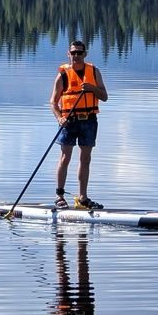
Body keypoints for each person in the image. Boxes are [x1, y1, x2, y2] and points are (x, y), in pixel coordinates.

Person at [49, 40, 108, 210]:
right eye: (73, 52)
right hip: (69, 122)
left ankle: (83, 197)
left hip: (89, 120)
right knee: (65, 157)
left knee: (85, 158)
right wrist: (60, 118)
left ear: (85, 54)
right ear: (69, 54)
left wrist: (92, 88)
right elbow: (53, 102)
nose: (76, 56)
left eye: (79, 52)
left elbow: (104, 96)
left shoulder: (94, 72)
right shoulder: (63, 75)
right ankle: (59, 196)